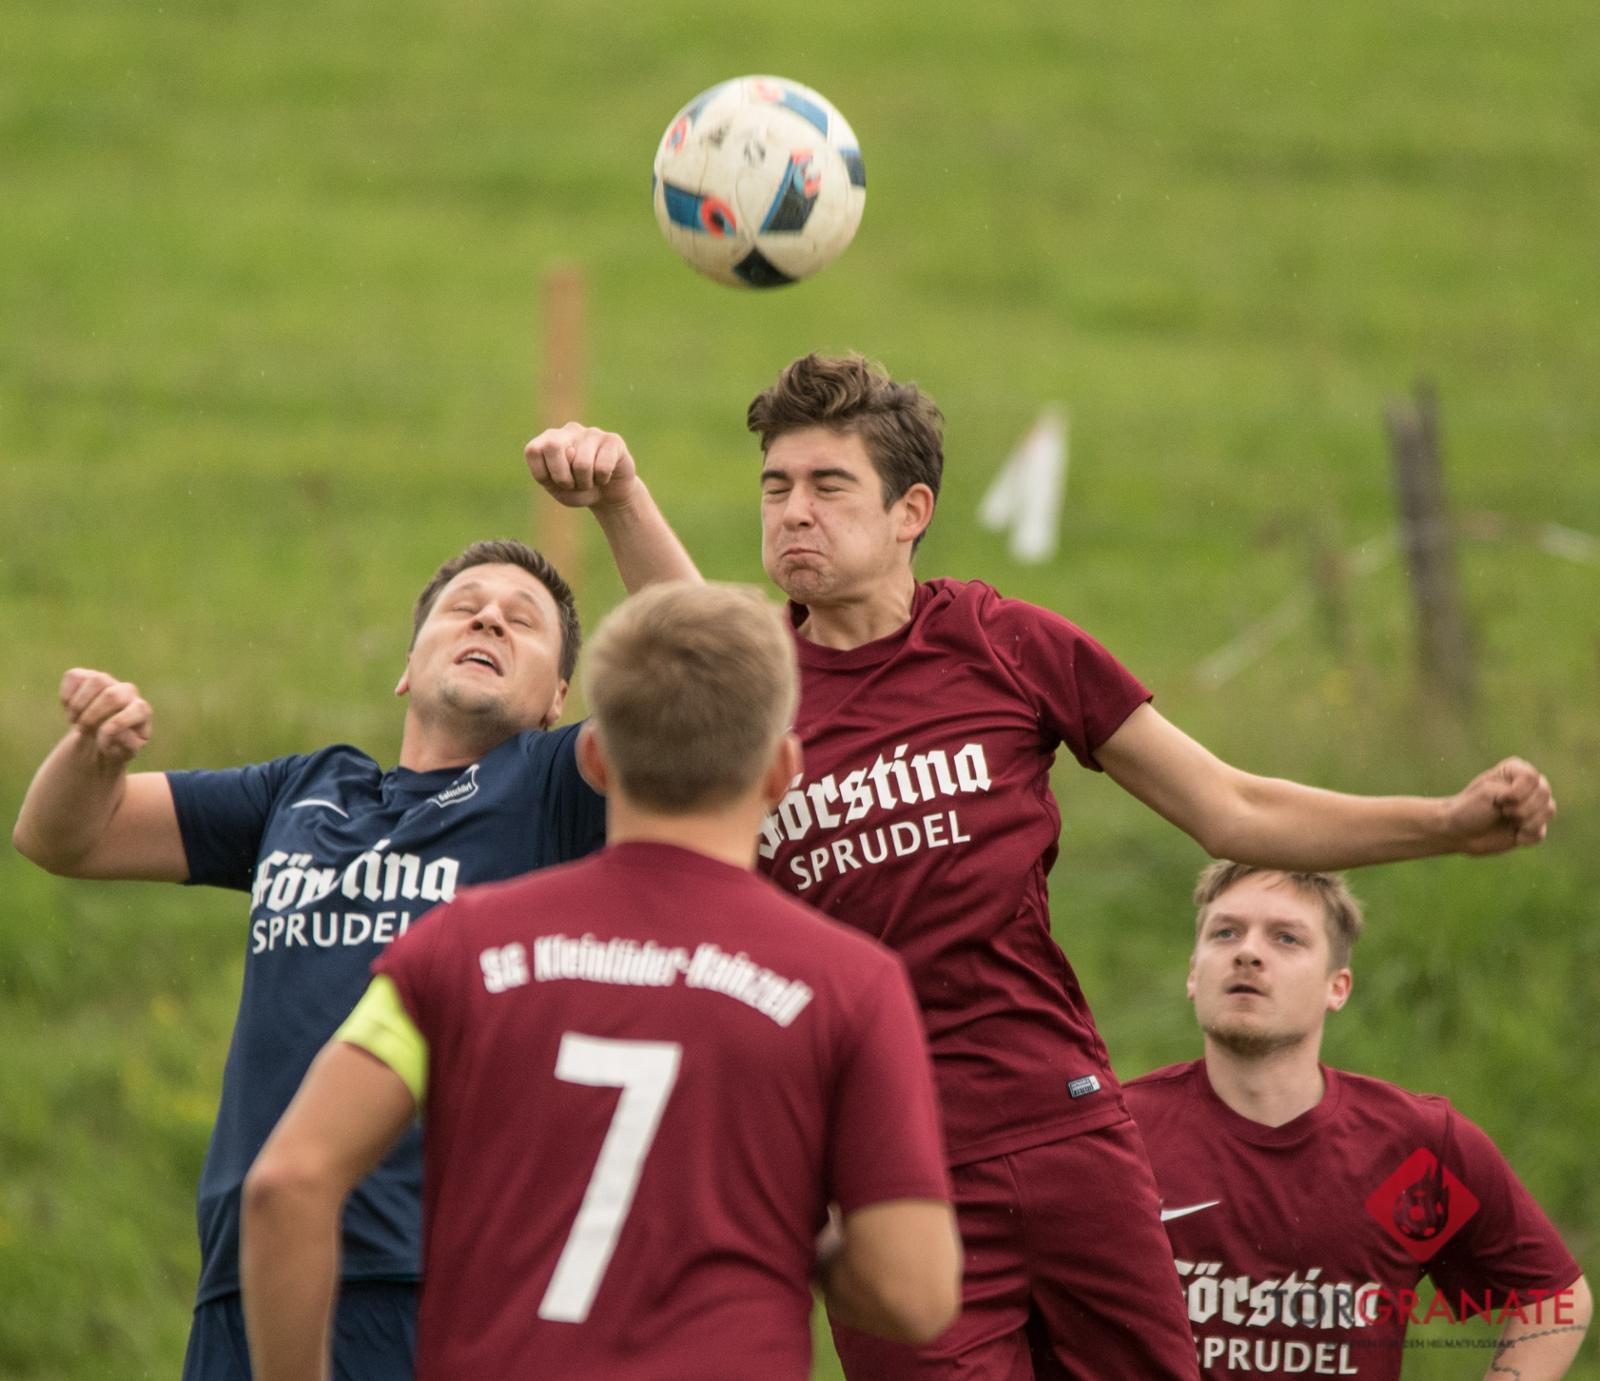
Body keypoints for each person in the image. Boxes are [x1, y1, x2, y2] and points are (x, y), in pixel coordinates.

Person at [530, 354, 1557, 1380]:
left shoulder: (1004, 644)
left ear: (910, 511)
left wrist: (1446, 822)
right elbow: (692, 633)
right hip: (884, 1170)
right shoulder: (758, 692)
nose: (794, 511)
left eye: (828, 485)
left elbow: (1228, 806)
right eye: (776, 487)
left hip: (1062, 1129)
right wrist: (621, 495)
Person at [12, 438, 697, 1381]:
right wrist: (92, 752)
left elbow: (703, 689)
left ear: (555, 700)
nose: (488, 618)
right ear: (407, 667)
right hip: (250, 1279)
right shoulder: (304, 790)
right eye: (464, 607)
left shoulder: (550, 788)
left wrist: (620, 500)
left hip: (440, 1280)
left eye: (523, 621)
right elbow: (63, 838)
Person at [239, 581, 962, 1381]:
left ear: (594, 758)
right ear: (782, 770)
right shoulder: (851, 985)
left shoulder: (455, 947)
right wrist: (784, 1232)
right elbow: (914, 1291)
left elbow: (288, 1182)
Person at [1125, 863, 1591, 1379]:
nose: (1248, 952)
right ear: (1194, 974)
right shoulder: (1120, 1136)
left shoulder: (1407, 1150)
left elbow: (1552, 1298)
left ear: (1338, 987)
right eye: (1226, 933)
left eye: (1286, 938)